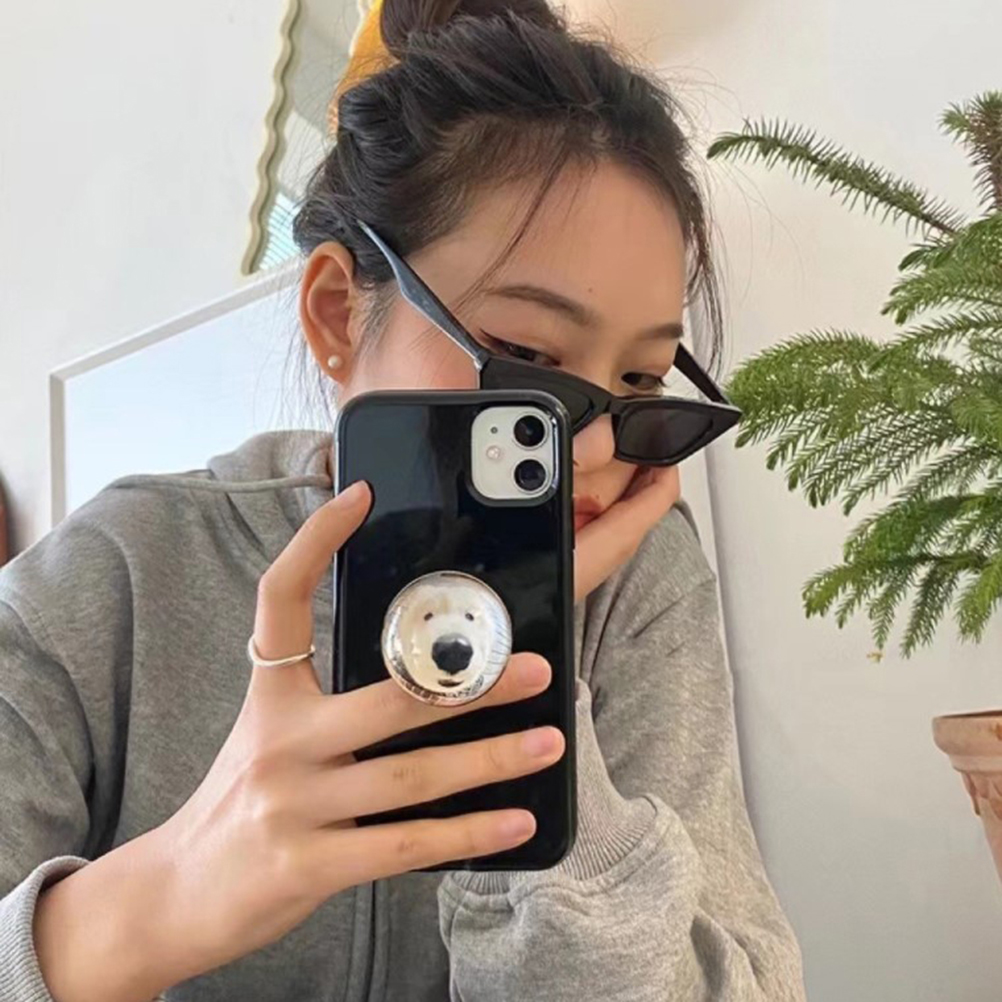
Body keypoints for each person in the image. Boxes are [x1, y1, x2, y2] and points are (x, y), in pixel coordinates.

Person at [0, 0, 806, 999]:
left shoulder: (637, 581)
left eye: (640, 384)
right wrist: (167, 893)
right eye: (525, 358)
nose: (595, 450)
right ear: (339, 313)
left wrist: (527, 673)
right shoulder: (114, 574)